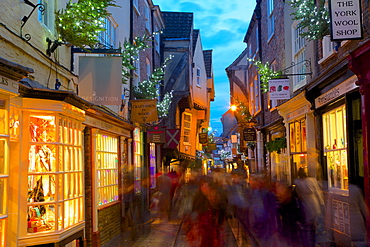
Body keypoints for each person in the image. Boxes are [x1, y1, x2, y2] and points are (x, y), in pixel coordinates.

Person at [185, 176, 228, 247]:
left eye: (206, 185)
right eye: (202, 185)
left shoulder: (216, 196)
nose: (203, 187)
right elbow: (195, 210)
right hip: (202, 230)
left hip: (213, 229)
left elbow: (221, 210)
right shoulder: (199, 197)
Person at [294, 167, 325, 247]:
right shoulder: (312, 180)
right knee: (315, 224)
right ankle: (313, 241)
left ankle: (308, 242)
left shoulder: (296, 182)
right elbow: (318, 193)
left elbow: (296, 193)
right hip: (313, 204)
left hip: (304, 205)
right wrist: (322, 204)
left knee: (307, 225)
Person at [248, 173, 279, 247]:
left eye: (253, 180)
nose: (250, 182)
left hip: (264, 225)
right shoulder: (253, 193)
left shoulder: (266, 194)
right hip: (258, 225)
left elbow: (272, 211)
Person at [275, 180, 305, 246]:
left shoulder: (294, 201)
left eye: (279, 187)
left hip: (293, 232)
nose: (277, 190)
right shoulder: (278, 201)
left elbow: (299, 216)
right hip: (286, 233)